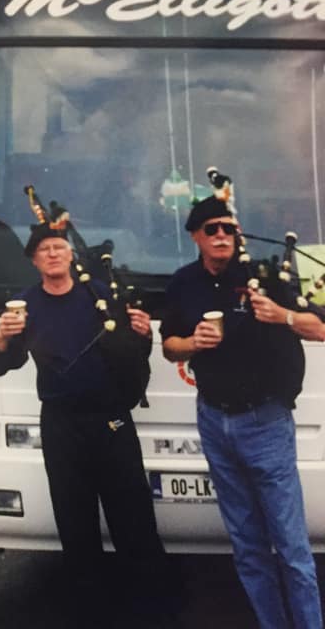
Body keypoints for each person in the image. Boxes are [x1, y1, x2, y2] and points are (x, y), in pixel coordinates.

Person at [0, 200, 168, 623]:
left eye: (59, 246)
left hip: (112, 421)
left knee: (133, 521)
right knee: (75, 524)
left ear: (70, 253)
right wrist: (1, 339)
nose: (53, 252)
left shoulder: (101, 296)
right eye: (44, 248)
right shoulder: (24, 306)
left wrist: (142, 334)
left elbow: (131, 354)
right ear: (33, 259)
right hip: (62, 427)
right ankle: (90, 614)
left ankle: (151, 612)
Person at [161, 193, 324, 629]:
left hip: (266, 422)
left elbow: (321, 327)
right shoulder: (183, 283)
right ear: (195, 236)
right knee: (248, 548)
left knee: (291, 549)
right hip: (214, 421)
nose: (221, 236)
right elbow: (168, 345)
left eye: (228, 228)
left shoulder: (264, 276)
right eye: (211, 229)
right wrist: (193, 343)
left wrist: (282, 316)